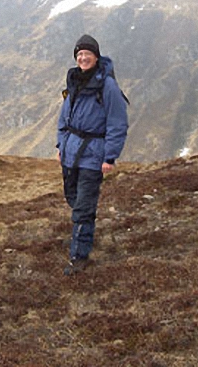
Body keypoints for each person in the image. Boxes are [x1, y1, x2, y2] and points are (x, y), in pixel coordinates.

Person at [56, 35, 129, 275]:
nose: (83, 58)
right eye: (79, 55)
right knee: (73, 197)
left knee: (84, 205)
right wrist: (60, 146)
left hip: (93, 154)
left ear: (96, 56)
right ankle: (84, 230)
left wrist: (109, 157)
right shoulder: (75, 81)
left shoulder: (107, 86)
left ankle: (79, 257)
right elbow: (64, 117)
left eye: (87, 54)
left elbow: (118, 123)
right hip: (71, 153)